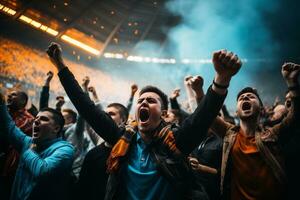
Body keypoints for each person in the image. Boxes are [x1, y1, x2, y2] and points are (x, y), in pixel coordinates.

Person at [47, 43, 242, 199]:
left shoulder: (176, 140)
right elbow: (86, 107)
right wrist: (61, 67)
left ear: (164, 113)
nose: (143, 103)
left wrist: (221, 79)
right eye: (140, 100)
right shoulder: (122, 138)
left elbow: (203, 116)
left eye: (151, 100)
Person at [211, 62, 300, 200]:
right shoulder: (229, 132)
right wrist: (198, 91)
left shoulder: (273, 133)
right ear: (236, 111)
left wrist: (292, 82)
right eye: (241, 98)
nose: (245, 98)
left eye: (251, 97)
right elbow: (207, 115)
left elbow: (296, 116)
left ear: (261, 108)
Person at [0, 92, 74, 200]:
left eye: (44, 119)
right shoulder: (28, 141)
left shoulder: (65, 150)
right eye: (36, 118)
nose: (36, 121)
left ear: (56, 128)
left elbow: (42, 171)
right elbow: (9, 127)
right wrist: (1, 105)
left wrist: (28, 151)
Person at [0, 90, 34, 200]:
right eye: (9, 93)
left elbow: (10, 135)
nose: (9, 95)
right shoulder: (5, 113)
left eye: (14, 94)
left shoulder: (28, 120)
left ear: (23, 101)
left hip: (12, 166)